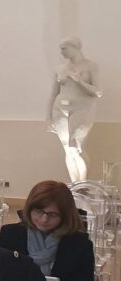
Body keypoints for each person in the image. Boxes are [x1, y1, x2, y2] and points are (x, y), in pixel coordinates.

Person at [47, 37, 102, 182]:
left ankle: (82, 185)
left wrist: (78, 81)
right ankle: (74, 186)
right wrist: (48, 117)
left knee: (76, 146)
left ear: (74, 47)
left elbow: (98, 92)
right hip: (60, 109)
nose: (61, 52)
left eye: (64, 48)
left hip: (82, 109)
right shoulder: (60, 69)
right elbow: (53, 94)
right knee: (67, 149)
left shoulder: (91, 66)